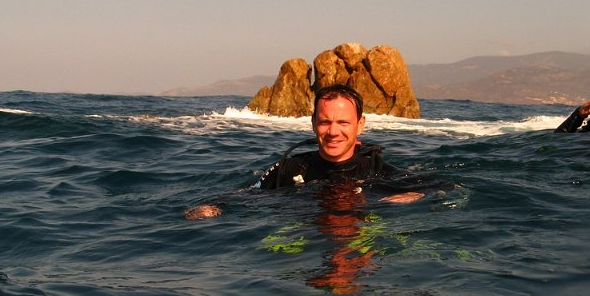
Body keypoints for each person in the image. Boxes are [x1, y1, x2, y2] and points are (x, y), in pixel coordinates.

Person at [185, 84, 434, 219]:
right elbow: (247, 195)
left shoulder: (377, 171)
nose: (333, 131)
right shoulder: (290, 168)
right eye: (325, 122)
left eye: (343, 122)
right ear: (313, 123)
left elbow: (438, 187)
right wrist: (207, 207)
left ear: (360, 125)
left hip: (360, 234)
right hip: (302, 237)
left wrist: (414, 195)